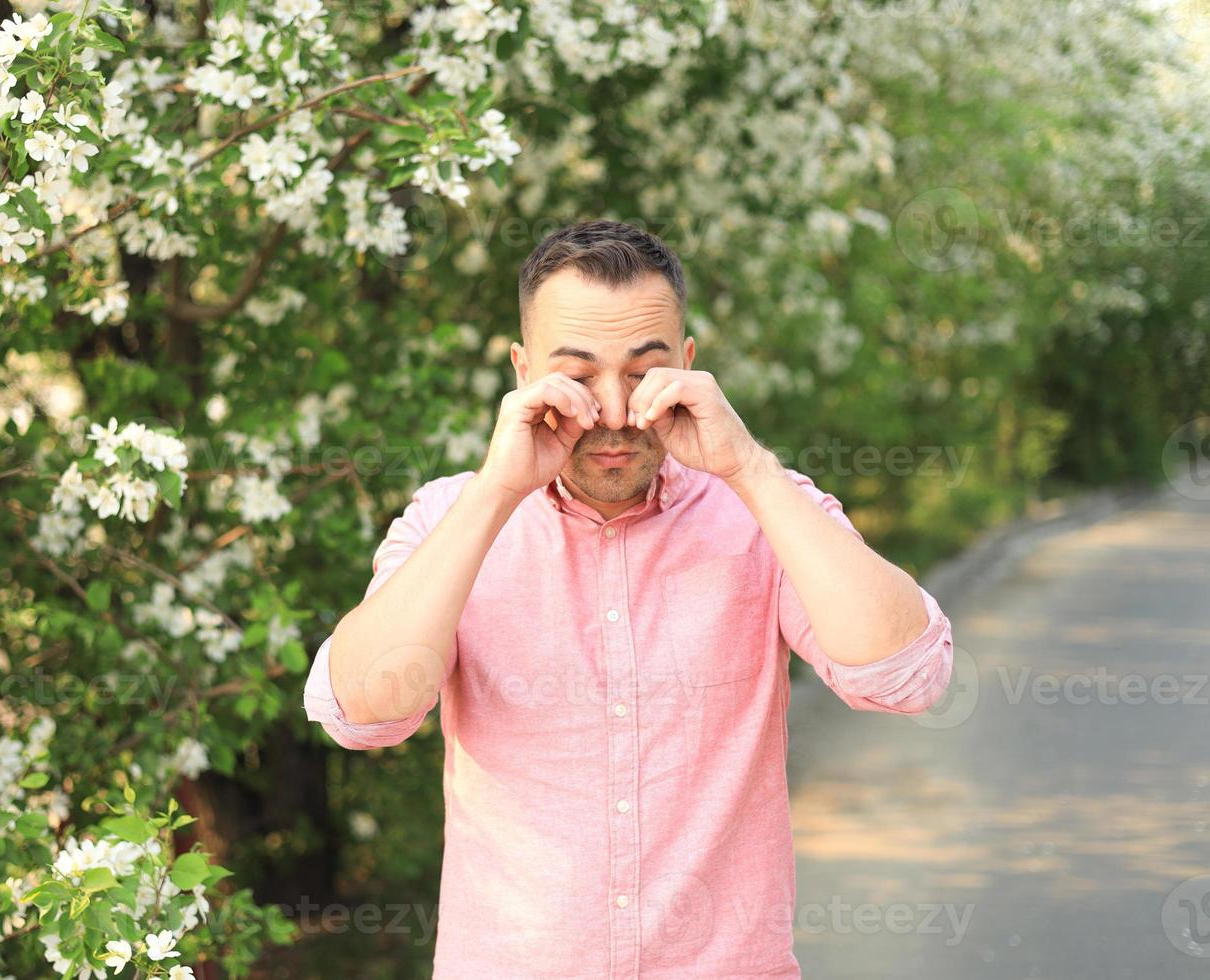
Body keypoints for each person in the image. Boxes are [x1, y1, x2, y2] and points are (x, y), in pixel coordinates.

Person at [302, 219, 954, 979]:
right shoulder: (451, 518)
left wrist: (746, 465)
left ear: (688, 364)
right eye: (576, 376)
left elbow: (907, 677)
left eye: (644, 372)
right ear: (522, 371)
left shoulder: (765, 508)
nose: (611, 410)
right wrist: (497, 493)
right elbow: (365, 714)